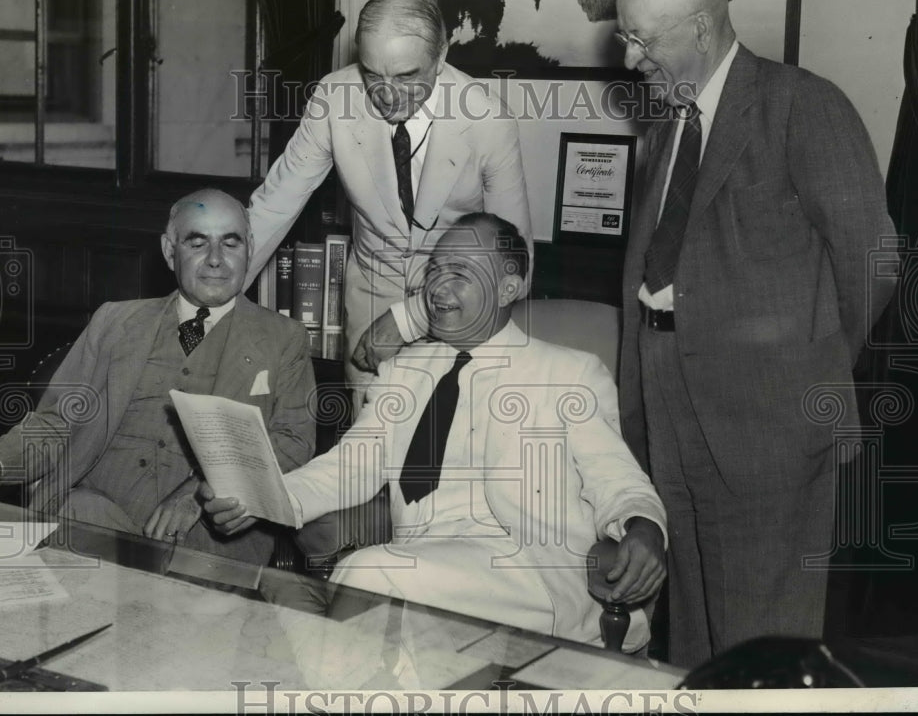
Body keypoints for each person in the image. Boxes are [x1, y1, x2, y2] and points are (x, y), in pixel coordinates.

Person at [614, 0, 898, 668]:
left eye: (643, 39)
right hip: (667, 395)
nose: (629, 56)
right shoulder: (663, 128)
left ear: (702, 30)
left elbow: (875, 263)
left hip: (771, 423)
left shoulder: (803, 105)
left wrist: (810, 382)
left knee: (760, 646)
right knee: (692, 635)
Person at [205, 213, 667, 651]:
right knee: (377, 610)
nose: (439, 286)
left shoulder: (570, 372)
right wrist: (260, 496)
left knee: (368, 570)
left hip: (533, 571)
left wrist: (644, 529)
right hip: (428, 563)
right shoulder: (402, 372)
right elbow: (348, 468)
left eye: (461, 273)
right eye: (435, 270)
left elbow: (619, 481)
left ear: (510, 287)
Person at [0, 189, 318, 566]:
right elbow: (57, 421)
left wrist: (199, 491)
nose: (216, 260)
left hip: (206, 542)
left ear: (249, 248)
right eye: (198, 242)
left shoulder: (284, 338)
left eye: (230, 242)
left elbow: (293, 443)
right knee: (76, 516)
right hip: (92, 521)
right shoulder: (114, 321)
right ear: (170, 251)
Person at [245, 0, 533, 387]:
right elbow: (273, 206)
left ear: (442, 55)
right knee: (368, 441)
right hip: (370, 301)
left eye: (406, 76)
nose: (386, 95)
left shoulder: (488, 121)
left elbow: (514, 264)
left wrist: (409, 318)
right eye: (371, 74)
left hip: (465, 306)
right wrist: (214, 293)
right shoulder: (334, 98)